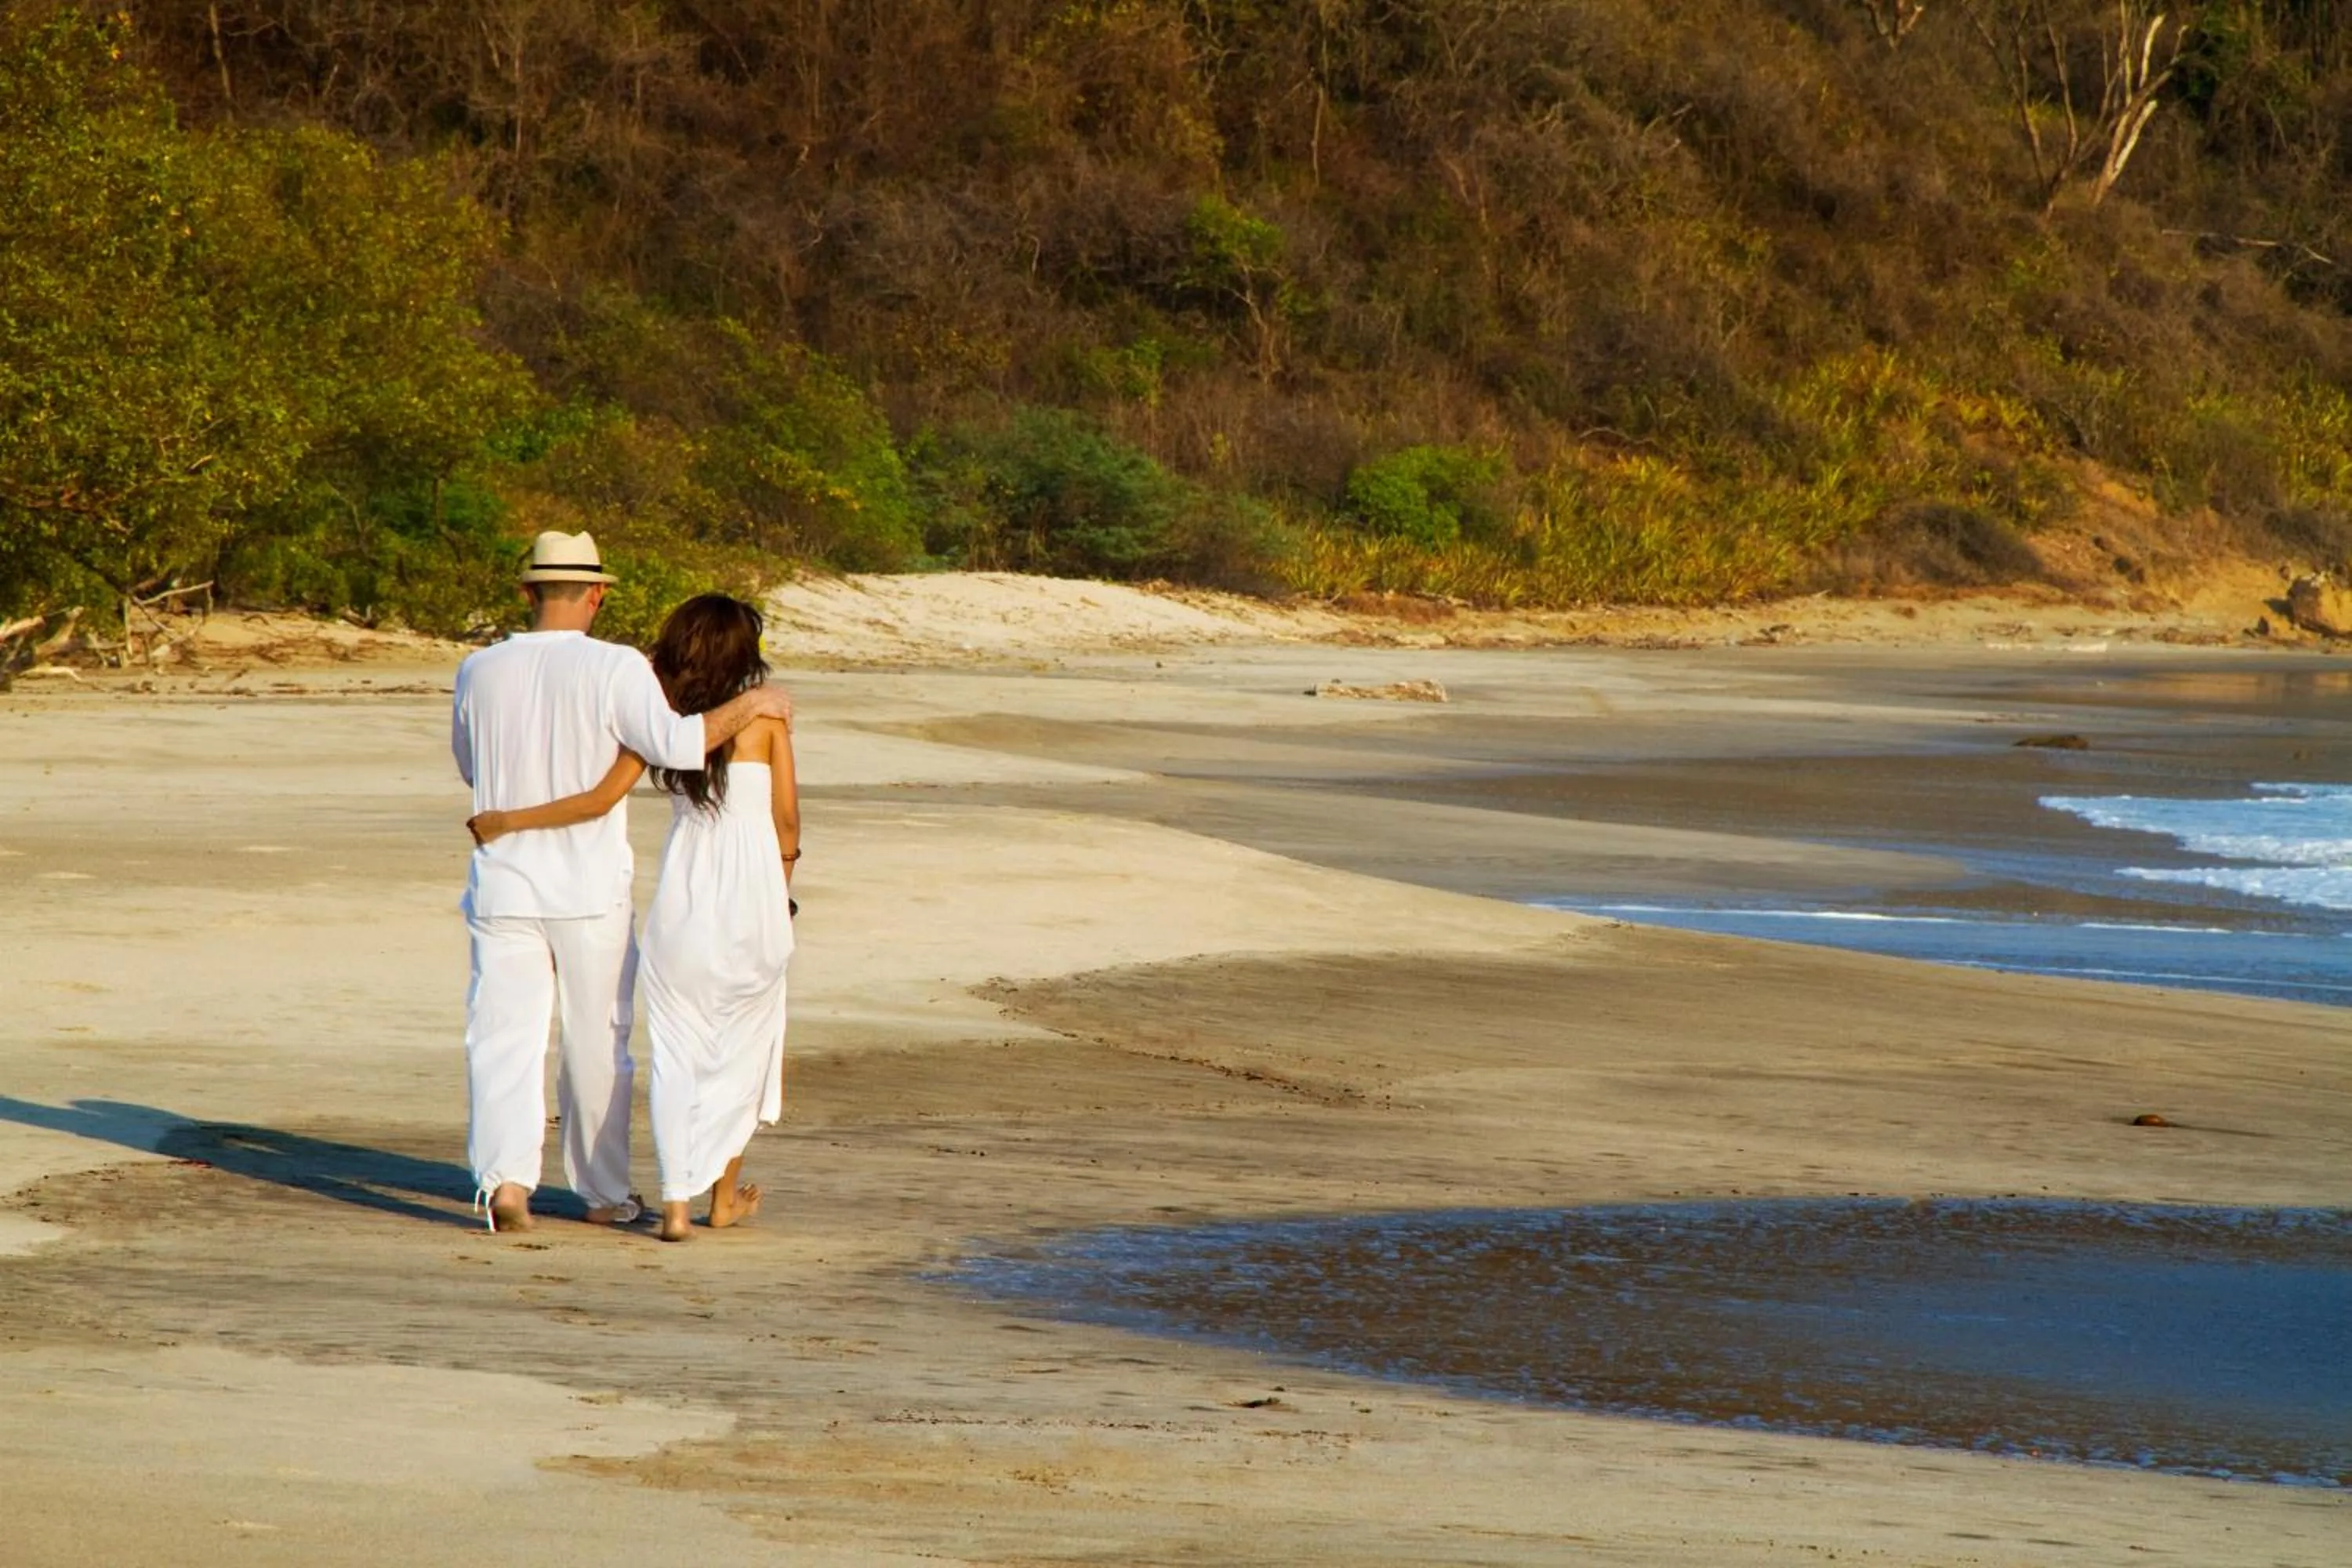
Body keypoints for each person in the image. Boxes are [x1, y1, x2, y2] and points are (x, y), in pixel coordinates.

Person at [451, 536, 792, 1235]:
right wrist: (756, 701)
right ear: (597, 594)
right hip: (587, 885)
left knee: (501, 1036)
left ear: (527, 593)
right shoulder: (615, 666)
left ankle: (507, 1183)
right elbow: (678, 742)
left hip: (502, 879)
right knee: (598, 1041)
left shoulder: (477, 668)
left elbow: (469, 763)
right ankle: (603, 1193)